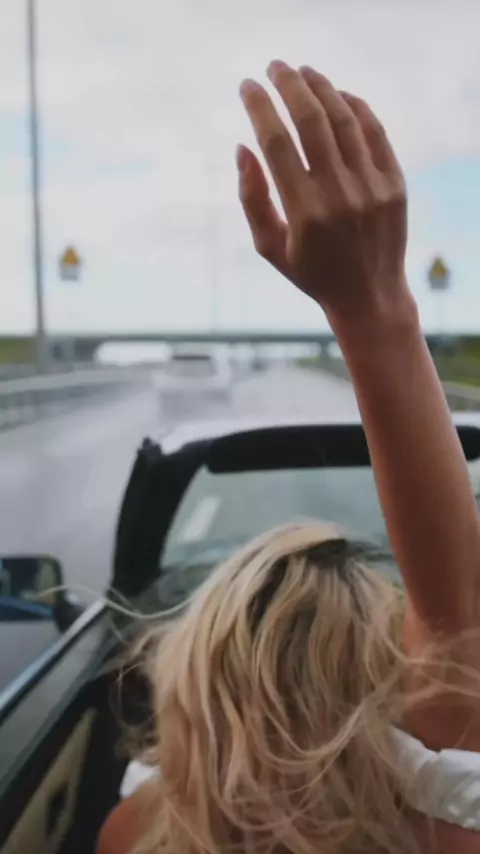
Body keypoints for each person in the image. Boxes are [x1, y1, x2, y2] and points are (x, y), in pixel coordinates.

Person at [98, 62, 480, 854]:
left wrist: (372, 310)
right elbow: (455, 622)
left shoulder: (133, 829)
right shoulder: (443, 829)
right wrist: (374, 304)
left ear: (192, 692)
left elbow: (459, 625)